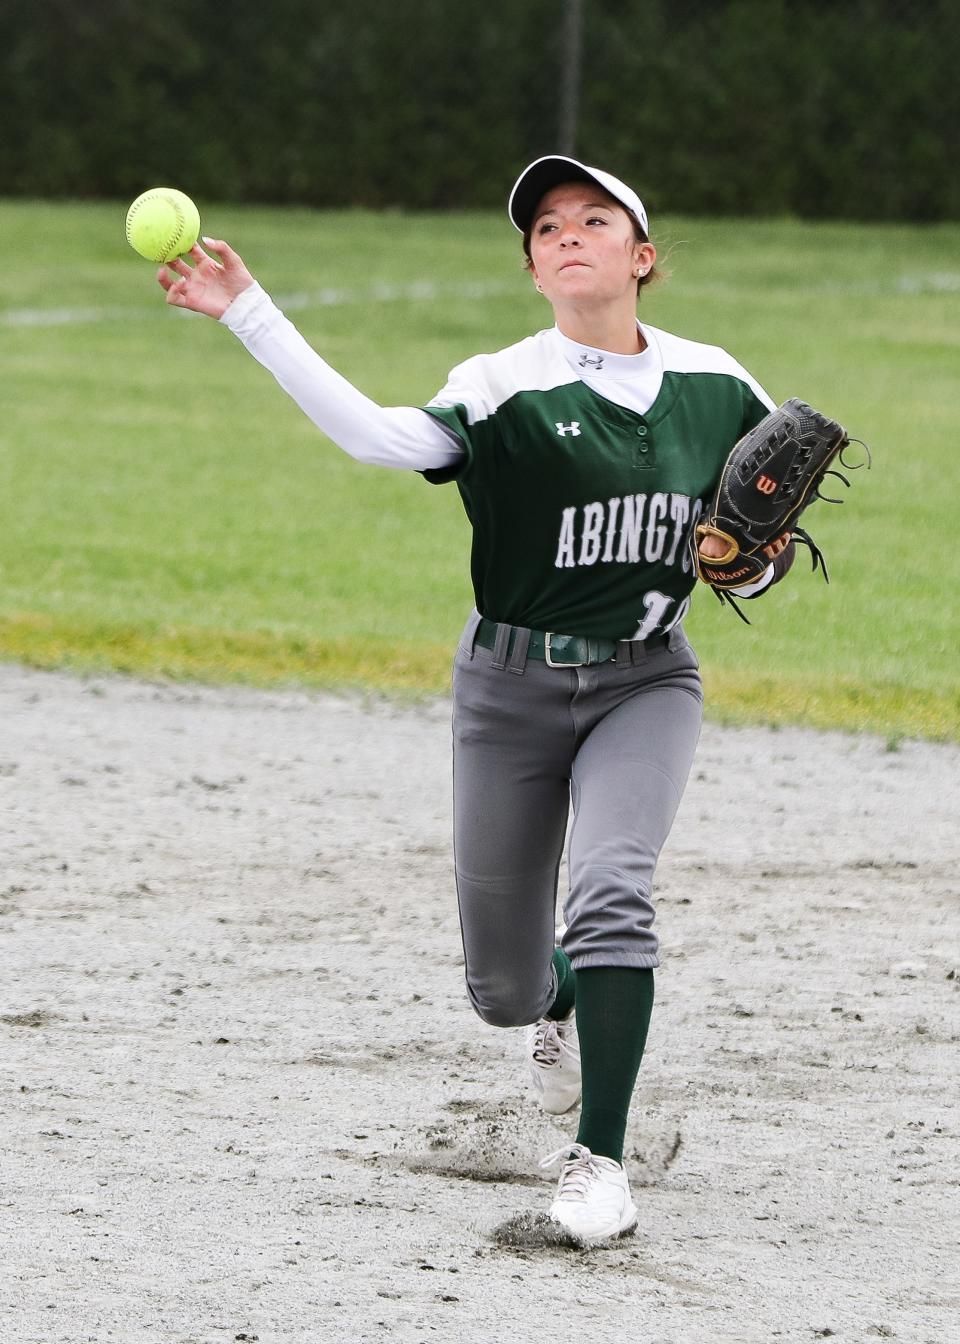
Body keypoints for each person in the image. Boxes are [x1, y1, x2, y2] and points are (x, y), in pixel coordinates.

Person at [158, 155, 794, 1246]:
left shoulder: (721, 386)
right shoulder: (504, 385)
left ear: (641, 258)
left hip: (647, 681)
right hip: (508, 691)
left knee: (611, 890)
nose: (569, 235)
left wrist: (751, 568)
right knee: (501, 987)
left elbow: (762, 549)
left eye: (596, 220)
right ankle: (556, 1006)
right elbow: (379, 437)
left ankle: (599, 1162)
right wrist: (247, 311)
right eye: (548, 229)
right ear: (538, 271)